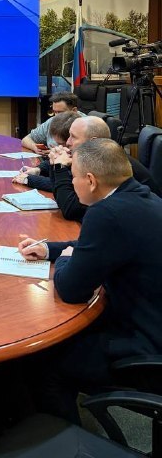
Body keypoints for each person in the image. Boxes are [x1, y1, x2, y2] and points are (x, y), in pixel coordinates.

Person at [18, 139, 162, 424]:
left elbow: (71, 289)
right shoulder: (144, 198)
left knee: (44, 361)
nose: (71, 184)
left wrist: (64, 260)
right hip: (151, 319)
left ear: (91, 181)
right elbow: (96, 245)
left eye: (73, 177)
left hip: (145, 346)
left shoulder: (105, 214)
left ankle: (65, 440)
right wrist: (49, 249)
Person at [48, 115, 159, 221]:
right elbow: (64, 193)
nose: (67, 142)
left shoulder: (109, 164)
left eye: (73, 137)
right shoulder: (95, 159)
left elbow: (71, 209)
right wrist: (55, 163)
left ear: (93, 141)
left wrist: (59, 168)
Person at [12, 111, 80, 190]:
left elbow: (62, 184)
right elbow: (51, 165)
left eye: (61, 144)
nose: (58, 147)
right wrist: (38, 170)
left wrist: (28, 179)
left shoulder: (82, 157)